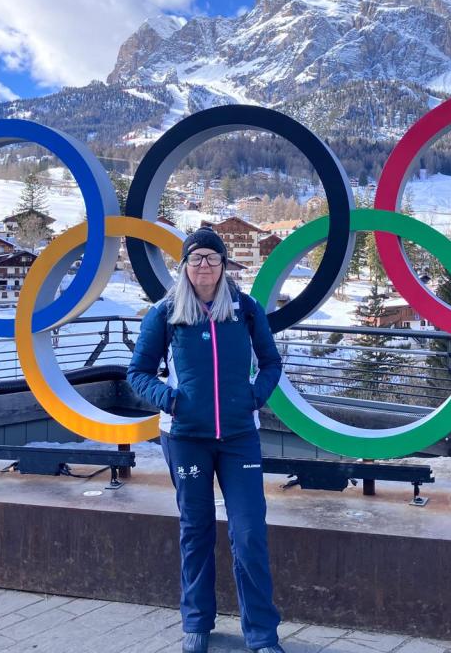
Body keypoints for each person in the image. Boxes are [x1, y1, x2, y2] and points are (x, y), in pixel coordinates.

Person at [128, 227, 286, 653]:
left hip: (239, 437)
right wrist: (170, 400)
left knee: (249, 533)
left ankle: (262, 634)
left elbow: (271, 362)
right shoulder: (165, 313)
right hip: (186, 438)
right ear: (184, 265)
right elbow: (138, 372)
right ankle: (197, 622)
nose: (204, 265)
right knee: (196, 530)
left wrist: (254, 396)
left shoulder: (245, 310)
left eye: (212, 258)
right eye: (196, 258)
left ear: (223, 265)